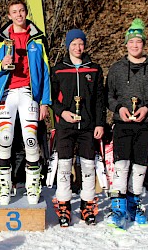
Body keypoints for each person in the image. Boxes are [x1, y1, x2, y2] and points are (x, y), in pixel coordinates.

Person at [0, 0, 51, 205]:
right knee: (5, 138)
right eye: (14, 12)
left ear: (26, 12)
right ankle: (4, 185)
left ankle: (33, 185)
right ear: (9, 15)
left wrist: (45, 101)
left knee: (30, 139)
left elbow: (46, 72)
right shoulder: (1, 37)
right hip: (7, 92)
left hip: (28, 93)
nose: (19, 15)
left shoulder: (38, 38)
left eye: (21, 11)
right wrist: (2, 66)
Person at [106, 18, 148, 229]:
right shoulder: (117, 68)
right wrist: (117, 108)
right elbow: (108, 95)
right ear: (126, 44)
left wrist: (147, 107)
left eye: (138, 41)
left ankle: (135, 201)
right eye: (131, 42)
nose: (135, 45)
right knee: (121, 165)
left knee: (140, 166)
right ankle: (118, 205)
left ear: (144, 43)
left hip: (145, 123)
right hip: (122, 124)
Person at [51, 29, 106, 227]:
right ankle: (64, 204)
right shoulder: (58, 69)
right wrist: (62, 112)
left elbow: (100, 99)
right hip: (65, 125)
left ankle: (87, 203)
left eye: (80, 43)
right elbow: (51, 97)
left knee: (88, 166)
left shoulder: (94, 69)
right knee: (64, 166)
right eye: (73, 44)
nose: (77, 47)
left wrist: (100, 123)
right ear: (68, 46)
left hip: (88, 126)